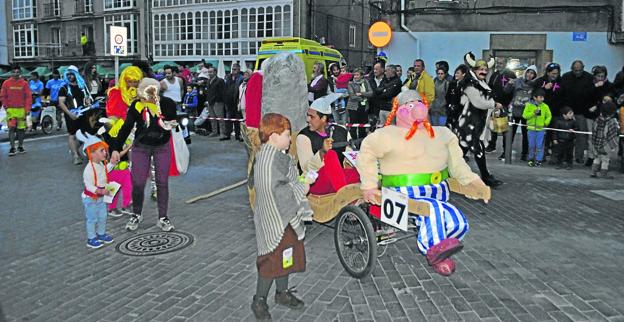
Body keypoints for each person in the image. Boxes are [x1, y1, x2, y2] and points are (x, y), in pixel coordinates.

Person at [357, 89, 489, 276]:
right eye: (410, 105)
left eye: (419, 103)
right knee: (432, 211)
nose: (416, 108)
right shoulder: (386, 135)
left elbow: (458, 165)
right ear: (399, 110)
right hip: (402, 193)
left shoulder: (443, 134)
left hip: (438, 193)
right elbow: (367, 154)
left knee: (458, 221)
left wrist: (475, 182)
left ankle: (441, 248)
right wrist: (369, 186)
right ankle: (435, 251)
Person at [251, 113, 313, 321]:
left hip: (283, 216)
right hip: (274, 219)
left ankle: (282, 293)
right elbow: (276, 190)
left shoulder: (273, 154)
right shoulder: (268, 160)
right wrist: (300, 188)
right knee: (270, 260)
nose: (290, 139)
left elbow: (282, 183)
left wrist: (296, 183)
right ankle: (259, 300)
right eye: (287, 135)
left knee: (286, 254)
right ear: (274, 136)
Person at [111, 78, 178, 232]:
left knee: (162, 182)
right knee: (138, 182)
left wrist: (169, 123)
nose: (143, 98)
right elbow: (126, 127)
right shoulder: (137, 105)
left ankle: (163, 217)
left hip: (162, 146)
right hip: (141, 146)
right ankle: (136, 214)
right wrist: (115, 148)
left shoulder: (167, 103)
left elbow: (173, 122)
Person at [296, 94, 360, 195]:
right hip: (315, 181)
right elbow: (306, 169)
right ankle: (344, 196)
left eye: (311, 116)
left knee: (363, 168)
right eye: (307, 115)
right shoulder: (304, 137)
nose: (307, 119)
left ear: (323, 118)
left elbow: (350, 158)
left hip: (338, 178)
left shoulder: (342, 131)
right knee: (331, 155)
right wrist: (322, 152)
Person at [456, 52, 504, 187]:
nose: (483, 71)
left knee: (460, 152)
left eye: (485, 69)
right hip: (469, 123)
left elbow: (485, 100)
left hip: (478, 123)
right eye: (480, 69)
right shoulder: (469, 84)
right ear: (474, 70)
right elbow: (478, 102)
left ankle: (446, 172)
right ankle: (486, 177)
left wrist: (494, 107)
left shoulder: (481, 82)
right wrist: (494, 104)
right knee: (477, 149)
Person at [78, 130, 115, 249]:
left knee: (103, 216)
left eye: (104, 150)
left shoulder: (100, 164)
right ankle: (91, 238)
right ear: (92, 153)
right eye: (101, 151)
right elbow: (89, 185)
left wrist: (112, 164)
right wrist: (99, 191)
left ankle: (101, 233)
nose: (105, 153)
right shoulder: (88, 169)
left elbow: (105, 172)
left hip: (101, 197)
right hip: (91, 198)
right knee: (92, 218)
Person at [561, 60, 596, 165]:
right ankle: (565, 156)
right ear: (572, 69)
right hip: (568, 111)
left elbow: (592, 94)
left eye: (579, 70)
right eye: (575, 70)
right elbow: (562, 93)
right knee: (565, 134)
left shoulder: (589, 78)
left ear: (583, 68)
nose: (577, 72)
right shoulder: (566, 77)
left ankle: (579, 156)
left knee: (581, 135)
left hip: (582, 111)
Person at [59, 65, 92, 165]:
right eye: (67, 74)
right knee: (72, 135)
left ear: (76, 74)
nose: (69, 76)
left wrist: (89, 103)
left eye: (71, 74)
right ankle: (76, 156)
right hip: (71, 115)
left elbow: (87, 98)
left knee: (87, 134)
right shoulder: (64, 88)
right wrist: (70, 114)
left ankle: (80, 151)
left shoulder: (82, 86)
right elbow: (61, 103)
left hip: (84, 113)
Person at [504, 65, 538, 161]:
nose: (529, 75)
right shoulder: (517, 81)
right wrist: (509, 84)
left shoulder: (535, 85)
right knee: (510, 133)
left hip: (527, 113)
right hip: (515, 111)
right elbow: (506, 91)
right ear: (525, 72)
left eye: (532, 73)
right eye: (528, 72)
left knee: (526, 134)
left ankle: (525, 153)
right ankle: (506, 152)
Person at [484, 57, 516, 153]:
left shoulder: (511, 74)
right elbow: (490, 87)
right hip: (494, 105)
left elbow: (513, 90)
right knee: (493, 127)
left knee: (505, 130)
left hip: (505, 105)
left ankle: (505, 151)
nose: (498, 65)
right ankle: (492, 145)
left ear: (506, 64)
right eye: (497, 63)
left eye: (501, 63)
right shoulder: (495, 74)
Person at [0, 65, 32, 156]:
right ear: (11, 73)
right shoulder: (6, 83)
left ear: (20, 73)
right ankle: (12, 148)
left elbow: (28, 97)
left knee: (21, 129)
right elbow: (3, 96)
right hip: (11, 110)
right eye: (14, 72)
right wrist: (6, 107)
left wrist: (27, 108)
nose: (16, 74)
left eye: (17, 72)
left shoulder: (24, 83)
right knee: (11, 128)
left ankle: (20, 146)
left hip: (21, 109)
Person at [522, 88, 552, 167]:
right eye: (540, 97)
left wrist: (546, 123)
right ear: (535, 97)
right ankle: (531, 159)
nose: (542, 99)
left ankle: (539, 160)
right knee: (531, 145)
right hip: (531, 129)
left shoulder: (545, 106)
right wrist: (533, 113)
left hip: (540, 130)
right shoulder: (528, 105)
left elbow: (549, 116)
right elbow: (524, 116)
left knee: (539, 145)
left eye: (543, 97)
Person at [590, 101, 619, 179]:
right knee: (605, 160)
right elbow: (614, 134)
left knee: (597, 158)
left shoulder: (597, 119)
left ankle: (593, 172)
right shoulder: (612, 121)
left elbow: (594, 131)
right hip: (606, 145)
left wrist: (593, 143)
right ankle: (603, 174)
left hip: (597, 143)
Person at [346, 68, 373, 140]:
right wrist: (364, 98)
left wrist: (361, 93)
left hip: (364, 107)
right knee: (353, 126)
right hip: (353, 107)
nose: (355, 76)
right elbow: (352, 96)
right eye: (354, 75)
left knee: (362, 126)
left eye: (357, 75)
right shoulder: (350, 84)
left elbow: (371, 93)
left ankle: (361, 142)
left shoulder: (366, 82)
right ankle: (354, 141)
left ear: (361, 76)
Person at [223, 63, 244, 141]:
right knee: (228, 119)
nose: (233, 71)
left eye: (235, 69)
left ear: (238, 70)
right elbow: (225, 88)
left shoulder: (241, 78)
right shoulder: (228, 77)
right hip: (229, 102)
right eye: (232, 69)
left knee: (237, 120)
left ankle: (237, 135)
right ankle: (227, 135)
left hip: (236, 101)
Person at [445, 65, 468, 133]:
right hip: (451, 112)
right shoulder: (452, 84)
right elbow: (447, 96)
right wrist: (449, 105)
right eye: (455, 73)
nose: (455, 74)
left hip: (460, 113)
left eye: (458, 73)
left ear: (463, 74)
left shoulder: (466, 86)